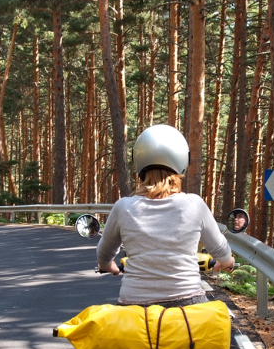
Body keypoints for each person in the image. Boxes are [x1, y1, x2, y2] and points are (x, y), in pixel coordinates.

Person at [97, 124, 234, 308]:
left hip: (134, 305)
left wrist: (108, 266)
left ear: (138, 162)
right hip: (187, 302)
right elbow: (221, 250)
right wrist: (226, 261)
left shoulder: (123, 207)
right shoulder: (194, 204)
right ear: (182, 162)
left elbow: (104, 253)